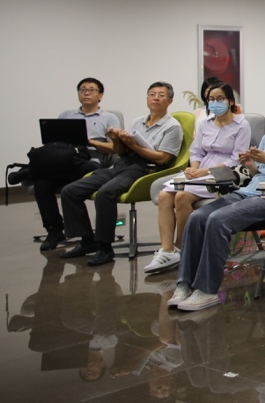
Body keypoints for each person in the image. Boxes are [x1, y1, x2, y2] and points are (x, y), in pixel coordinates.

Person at [168, 83, 265, 312]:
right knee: (197, 217)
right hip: (250, 191)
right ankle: (184, 284)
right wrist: (250, 165)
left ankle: (207, 290)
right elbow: (259, 173)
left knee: (218, 220)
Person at [60, 82, 184, 266]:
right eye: (152, 94)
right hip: (122, 164)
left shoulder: (172, 126)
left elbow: (162, 159)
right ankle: (87, 240)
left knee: (105, 193)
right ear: (147, 99)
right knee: (70, 191)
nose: (156, 98)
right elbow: (121, 152)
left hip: (145, 168)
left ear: (170, 100)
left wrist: (134, 146)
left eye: (161, 95)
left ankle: (105, 248)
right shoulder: (137, 122)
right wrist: (116, 140)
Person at [146, 82, 251, 274]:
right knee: (164, 195)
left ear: (230, 101)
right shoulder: (205, 123)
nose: (215, 102)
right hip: (201, 169)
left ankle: (182, 248)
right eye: (211, 99)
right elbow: (196, 151)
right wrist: (194, 168)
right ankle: (167, 251)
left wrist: (205, 171)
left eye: (220, 99)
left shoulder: (241, 125)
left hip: (226, 172)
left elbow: (237, 159)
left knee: (181, 196)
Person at [31, 77, 122, 250]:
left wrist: (90, 142)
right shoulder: (66, 115)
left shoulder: (109, 118)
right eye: (83, 90)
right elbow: (54, 143)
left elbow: (115, 148)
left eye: (91, 90)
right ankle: (54, 230)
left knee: (75, 179)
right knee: (41, 184)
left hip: (90, 161)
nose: (86, 93)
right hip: (64, 161)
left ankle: (29, 172)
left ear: (100, 96)